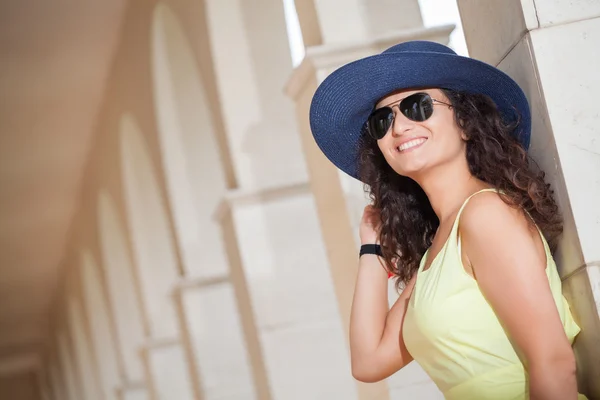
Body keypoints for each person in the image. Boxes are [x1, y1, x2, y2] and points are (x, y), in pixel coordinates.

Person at [309, 41, 586, 400]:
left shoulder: (486, 215)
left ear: (466, 122)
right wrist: (372, 246)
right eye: (383, 120)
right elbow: (368, 362)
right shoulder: (438, 250)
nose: (399, 127)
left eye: (418, 107)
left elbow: (554, 362)